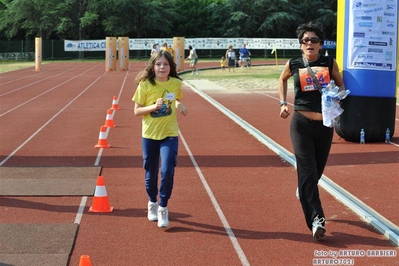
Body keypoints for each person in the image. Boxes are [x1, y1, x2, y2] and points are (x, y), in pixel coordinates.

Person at [278, 21, 345, 240]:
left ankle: (305, 191)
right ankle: (317, 221)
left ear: (321, 44)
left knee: (316, 172)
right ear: (300, 45)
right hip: (301, 125)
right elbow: (282, 79)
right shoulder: (294, 63)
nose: (309, 43)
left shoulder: (328, 62)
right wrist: (282, 103)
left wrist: (336, 100)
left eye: (314, 40)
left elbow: (341, 85)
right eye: (305, 40)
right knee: (307, 172)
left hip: (325, 126)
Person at [132, 50, 188, 228]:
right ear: (153, 67)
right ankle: (152, 203)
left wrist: (179, 105)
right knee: (150, 174)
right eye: (158, 64)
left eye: (165, 64)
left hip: (169, 134)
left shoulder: (176, 83)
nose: (162, 67)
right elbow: (136, 111)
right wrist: (153, 107)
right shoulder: (145, 85)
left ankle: (163, 206)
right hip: (149, 135)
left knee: (167, 170)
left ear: (170, 66)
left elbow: (175, 98)